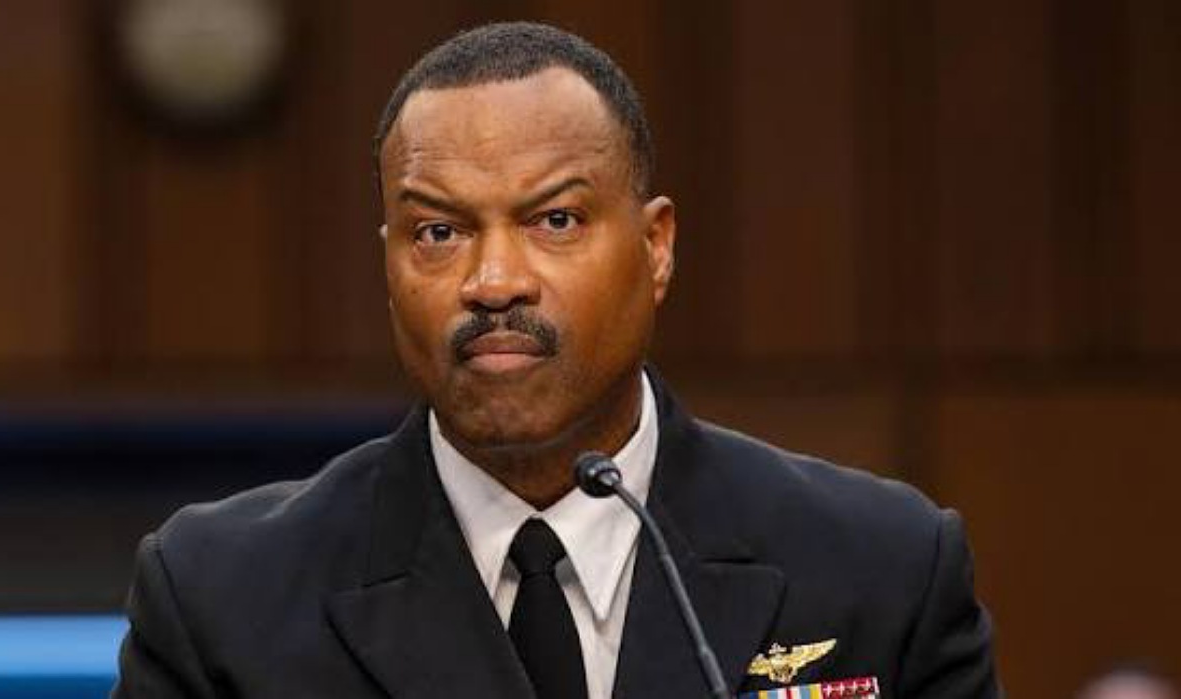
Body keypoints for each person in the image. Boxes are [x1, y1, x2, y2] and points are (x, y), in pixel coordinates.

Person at [111, 22, 999, 699]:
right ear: (388, 264)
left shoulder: (880, 569)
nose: (494, 281)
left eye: (556, 220)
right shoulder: (223, 598)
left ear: (656, 246)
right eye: (438, 231)